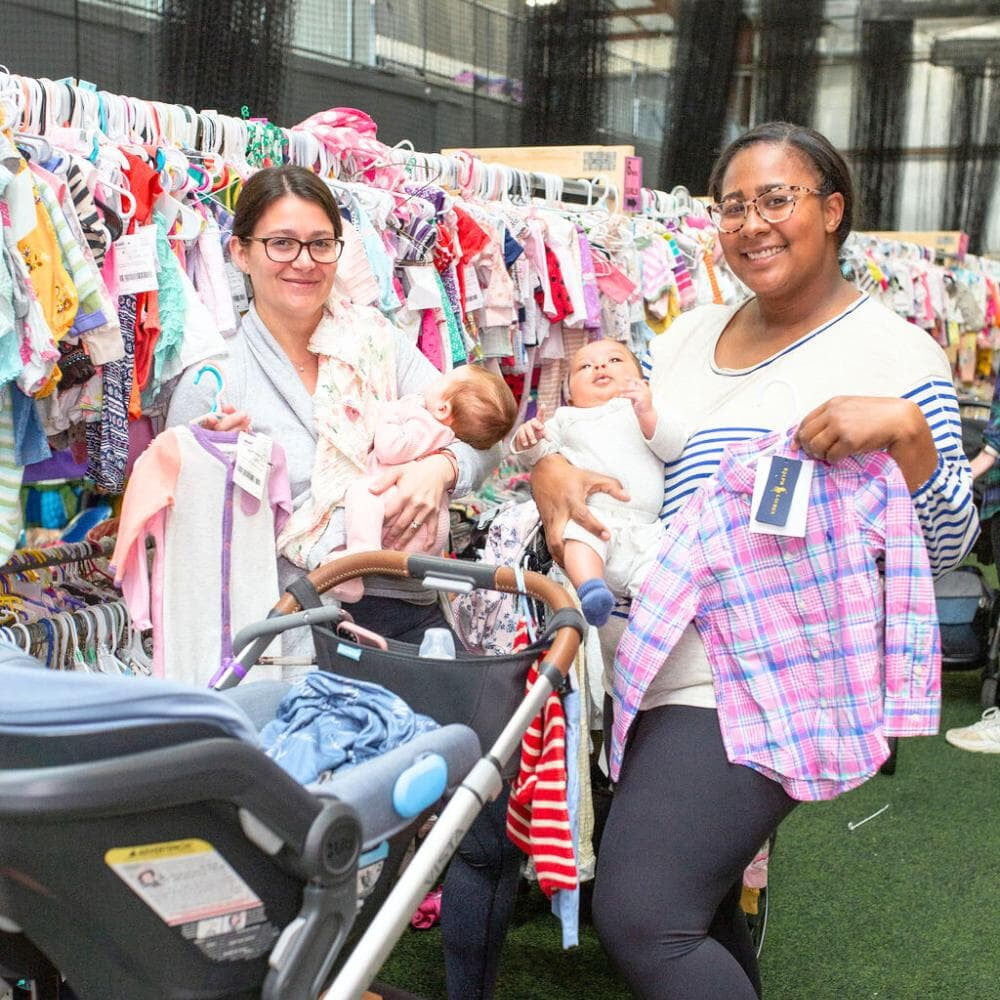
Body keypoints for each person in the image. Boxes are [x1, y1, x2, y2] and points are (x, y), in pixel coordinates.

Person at [529, 122, 978, 999]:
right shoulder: (689, 333)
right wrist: (553, 469)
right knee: (696, 909)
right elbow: (631, 457)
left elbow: (947, 543)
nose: (753, 223)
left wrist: (909, 434)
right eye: (734, 206)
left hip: (775, 669)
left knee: (645, 915)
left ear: (833, 209)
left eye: (779, 198)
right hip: (655, 646)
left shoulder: (897, 354)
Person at [164, 164, 519, 1000]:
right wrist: (219, 449)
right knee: (315, 829)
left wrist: (440, 469)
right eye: (280, 242)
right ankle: (315, 977)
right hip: (297, 624)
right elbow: (191, 501)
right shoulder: (214, 373)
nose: (302, 260)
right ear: (241, 252)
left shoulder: (380, 342)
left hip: (409, 604)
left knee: (468, 815)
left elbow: (480, 426)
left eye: (319, 242)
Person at [510, 338, 686, 626]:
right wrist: (528, 437)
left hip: (645, 530)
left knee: (663, 580)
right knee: (577, 538)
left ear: (641, 379)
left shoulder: (645, 410)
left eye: (615, 360)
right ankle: (590, 589)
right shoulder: (567, 418)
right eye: (585, 366)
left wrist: (647, 412)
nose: (600, 366)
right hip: (593, 517)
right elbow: (538, 457)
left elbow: (673, 447)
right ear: (570, 393)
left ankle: (659, 622)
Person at [318, 364, 517, 602]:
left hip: (396, 501)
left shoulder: (424, 423)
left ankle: (360, 560)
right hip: (429, 525)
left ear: (443, 408)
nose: (433, 379)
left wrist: (388, 416)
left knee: (362, 493)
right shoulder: (448, 433)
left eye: (443, 378)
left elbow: (390, 449)